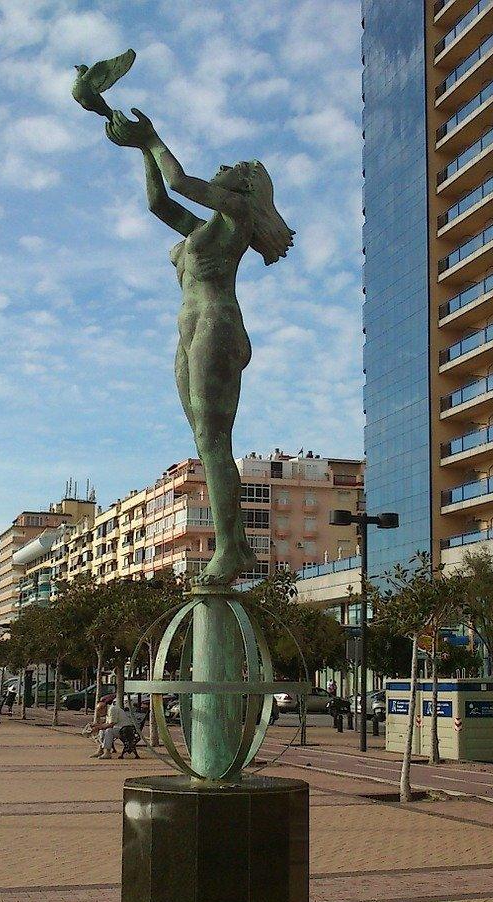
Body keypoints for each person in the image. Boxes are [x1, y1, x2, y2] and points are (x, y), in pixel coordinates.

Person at [105, 108, 293, 585]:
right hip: (190, 331)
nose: (221, 168)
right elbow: (159, 202)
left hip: (218, 325)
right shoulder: (203, 229)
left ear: (246, 185)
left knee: (213, 442)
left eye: (232, 166)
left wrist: (152, 138)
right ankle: (238, 543)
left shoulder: (240, 215)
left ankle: (230, 548)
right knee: (204, 442)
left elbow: (182, 181)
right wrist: (141, 151)